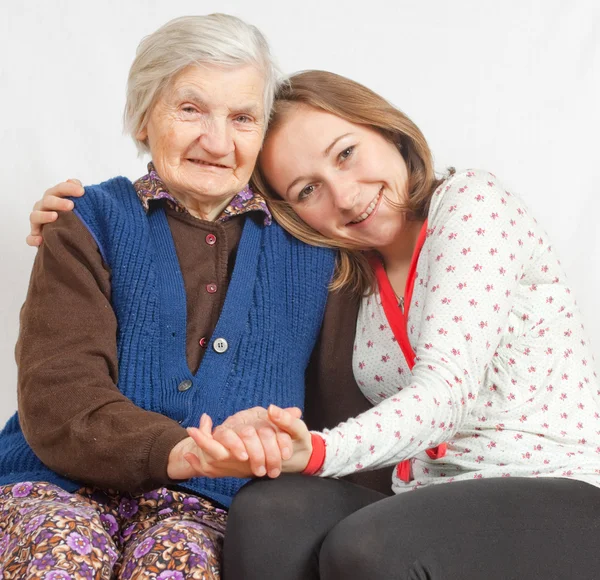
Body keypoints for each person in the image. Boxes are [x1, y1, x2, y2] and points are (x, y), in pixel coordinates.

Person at [27, 72, 600, 577]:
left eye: (346, 153)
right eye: (307, 190)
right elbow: (218, 220)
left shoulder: (472, 205)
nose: (344, 196)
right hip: (426, 497)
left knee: (368, 545)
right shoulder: (350, 273)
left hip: (554, 490)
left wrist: (316, 452)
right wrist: (79, 220)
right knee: (269, 513)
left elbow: (445, 393)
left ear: (387, 130)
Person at [0, 17, 388, 580]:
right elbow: (58, 395)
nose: (217, 141)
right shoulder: (86, 221)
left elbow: (346, 418)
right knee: (59, 553)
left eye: (242, 118)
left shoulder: (315, 246)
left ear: (263, 134)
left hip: (213, 505)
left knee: (178, 563)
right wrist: (177, 451)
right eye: (190, 109)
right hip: (59, 485)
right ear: (141, 118)